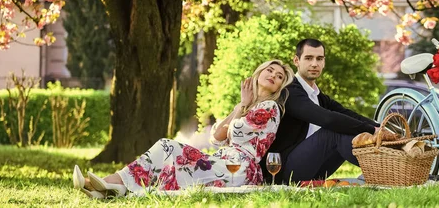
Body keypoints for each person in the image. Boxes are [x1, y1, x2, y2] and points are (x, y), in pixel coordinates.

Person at [73, 59, 294, 198]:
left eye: (279, 77)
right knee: (167, 151)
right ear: (259, 73)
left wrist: (242, 107)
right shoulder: (245, 104)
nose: (273, 76)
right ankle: (108, 187)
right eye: (270, 70)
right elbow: (217, 138)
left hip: (240, 167)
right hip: (222, 159)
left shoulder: (271, 107)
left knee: (168, 148)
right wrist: (240, 106)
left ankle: (108, 183)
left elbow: (235, 131)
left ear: (280, 86)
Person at [260, 39, 381, 184]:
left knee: (345, 124)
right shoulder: (290, 91)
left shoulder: (317, 95)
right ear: (296, 61)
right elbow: (327, 119)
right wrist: (371, 130)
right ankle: (382, 170)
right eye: (309, 58)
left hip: (312, 168)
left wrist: (380, 127)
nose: (314, 64)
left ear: (324, 63)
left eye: (319, 59)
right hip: (283, 172)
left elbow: (346, 113)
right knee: (334, 131)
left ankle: (389, 166)